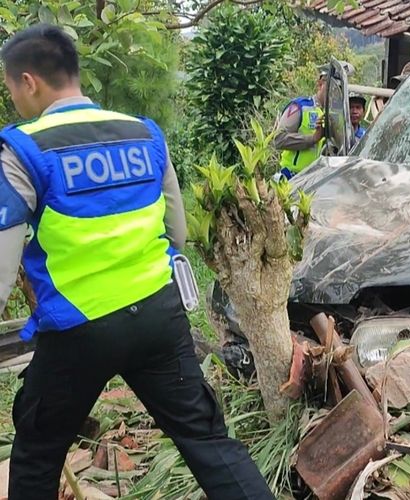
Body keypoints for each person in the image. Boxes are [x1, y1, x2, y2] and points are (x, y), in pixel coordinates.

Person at [0, 24, 274, 500]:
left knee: (38, 455)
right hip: (156, 318)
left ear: (29, 82)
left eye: (10, 89)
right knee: (207, 439)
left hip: (76, 330)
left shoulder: (24, 149)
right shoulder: (144, 134)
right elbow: (178, 233)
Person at [273, 70, 327, 180]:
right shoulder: (300, 106)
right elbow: (278, 139)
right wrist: (312, 138)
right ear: (320, 84)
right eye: (330, 86)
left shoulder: (331, 114)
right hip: (291, 176)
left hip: (314, 179)